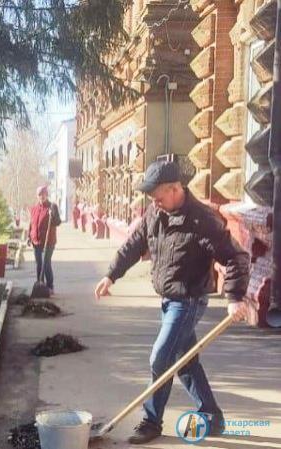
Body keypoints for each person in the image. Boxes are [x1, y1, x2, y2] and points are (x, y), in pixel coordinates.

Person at [94, 161, 249, 444]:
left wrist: (235, 298)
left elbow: (236, 257)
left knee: (160, 357)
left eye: (160, 197)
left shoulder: (202, 220)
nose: (156, 203)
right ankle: (212, 417)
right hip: (167, 299)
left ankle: (151, 421)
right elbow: (134, 244)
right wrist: (111, 275)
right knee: (184, 360)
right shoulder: (156, 212)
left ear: (175, 189)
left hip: (188, 300)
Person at [28, 186, 61, 296]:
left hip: (48, 242)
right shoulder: (34, 208)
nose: (41, 196)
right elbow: (32, 223)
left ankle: (50, 286)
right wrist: (29, 236)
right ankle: (40, 285)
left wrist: (53, 214)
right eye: (39, 195)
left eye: (43, 194)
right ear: (37, 196)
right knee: (39, 264)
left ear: (47, 195)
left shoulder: (52, 206)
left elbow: (57, 222)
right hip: (36, 241)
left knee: (46, 264)